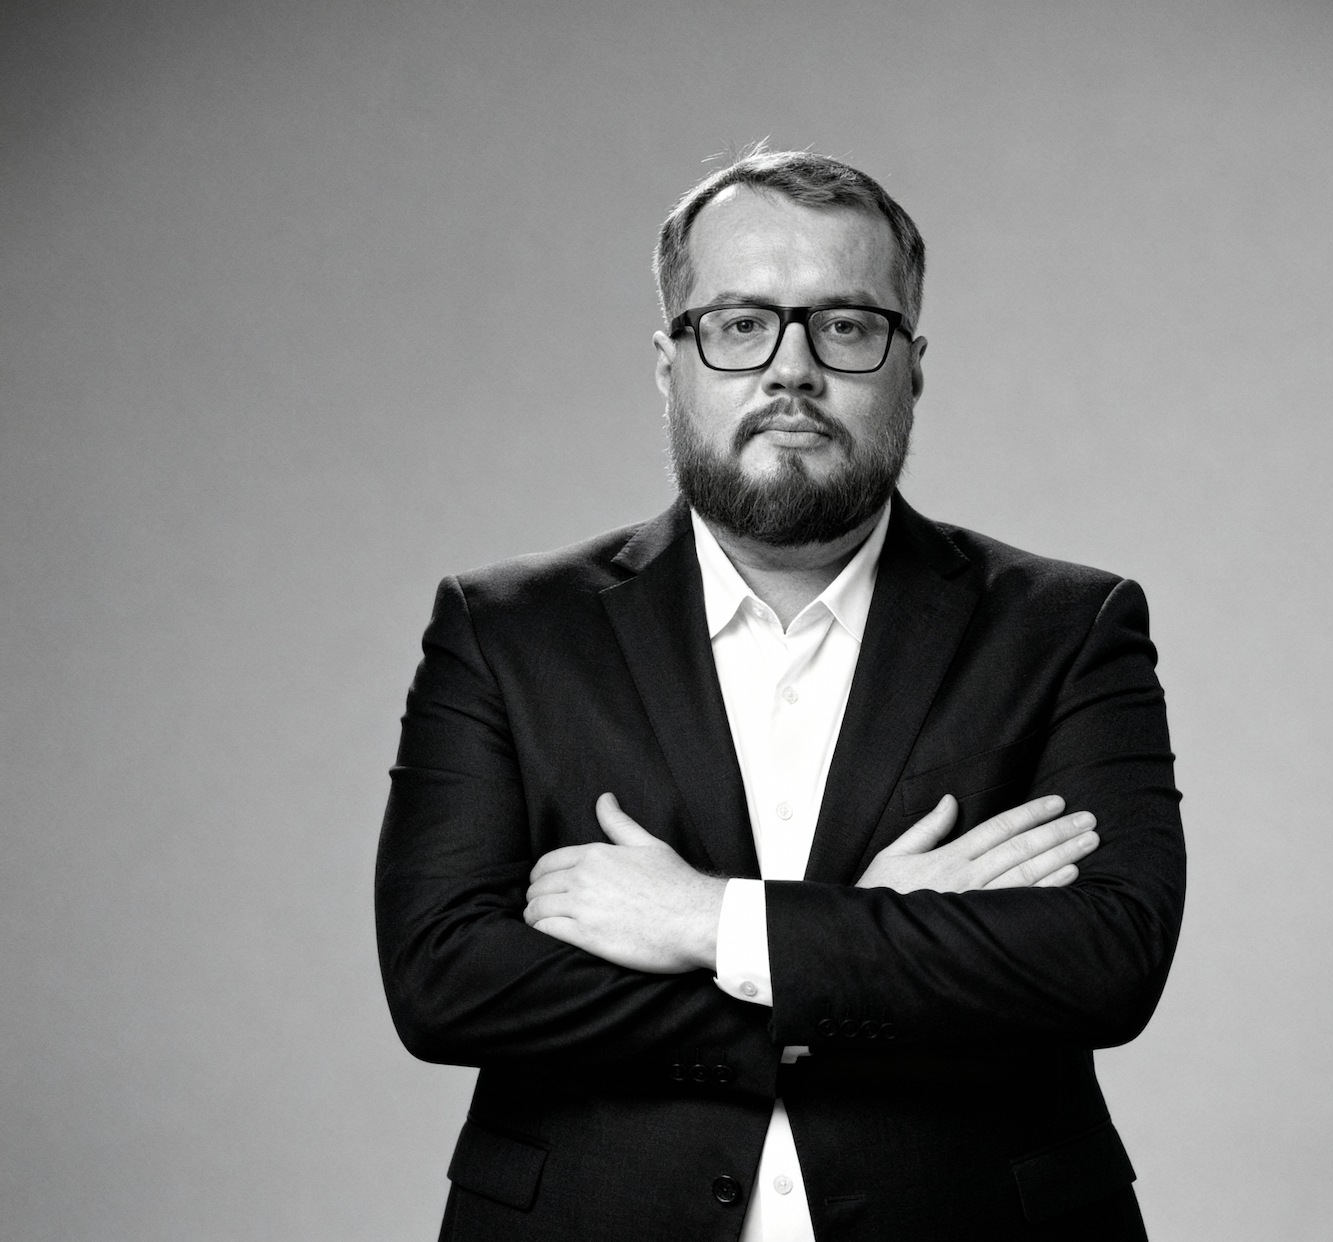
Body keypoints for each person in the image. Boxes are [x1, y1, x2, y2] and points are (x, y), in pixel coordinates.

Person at [376, 148, 1186, 1242]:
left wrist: (708, 921)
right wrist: (874, 940)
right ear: (670, 366)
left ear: (911, 365)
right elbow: (444, 981)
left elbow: (1104, 962)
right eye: (738, 322)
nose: (790, 368)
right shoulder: (507, 632)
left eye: (845, 325)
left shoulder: (1066, 628)